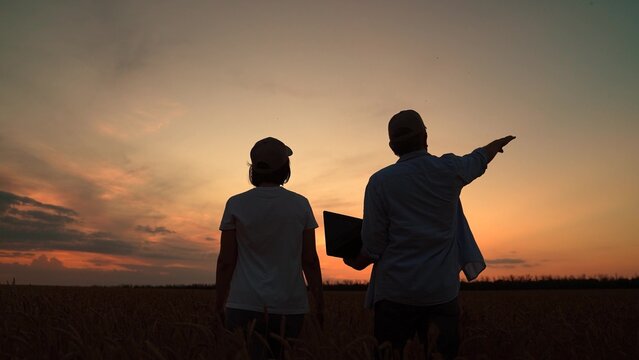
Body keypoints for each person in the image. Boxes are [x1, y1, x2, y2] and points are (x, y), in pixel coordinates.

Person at [344, 110, 515, 359]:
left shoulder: (380, 182)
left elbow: (373, 244)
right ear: (425, 135)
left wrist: (357, 260)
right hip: (441, 294)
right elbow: (478, 159)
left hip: (394, 296)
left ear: (392, 146)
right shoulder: (449, 169)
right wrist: (495, 145)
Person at [215, 137, 324, 360]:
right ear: (285, 168)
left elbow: (226, 261)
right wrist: (320, 304)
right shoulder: (300, 204)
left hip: (243, 303)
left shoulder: (235, 204)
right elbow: (310, 260)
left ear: (253, 169)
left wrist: (219, 303)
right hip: (289, 306)